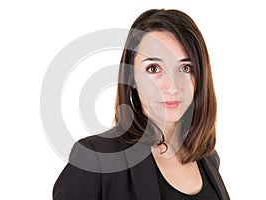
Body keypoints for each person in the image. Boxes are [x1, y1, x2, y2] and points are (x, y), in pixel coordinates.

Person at [53, 9, 230, 200]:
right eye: (153, 68)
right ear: (131, 77)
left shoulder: (208, 159)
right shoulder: (96, 159)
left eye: (185, 68)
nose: (172, 86)